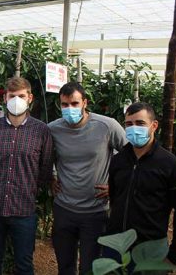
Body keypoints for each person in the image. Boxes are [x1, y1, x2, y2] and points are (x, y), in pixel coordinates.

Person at [48, 82, 126, 275]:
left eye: (74, 103)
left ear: (85, 102)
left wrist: (115, 186)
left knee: (90, 268)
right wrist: (51, 176)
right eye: (64, 104)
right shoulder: (53, 129)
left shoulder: (107, 126)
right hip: (64, 208)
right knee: (65, 265)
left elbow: (130, 156)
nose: (69, 109)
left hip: (95, 211)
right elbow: (43, 156)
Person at [106, 102, 176, 269]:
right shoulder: (118, 161)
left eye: (140, 123)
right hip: (116, 248)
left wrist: (174, 256)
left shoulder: (171, 166)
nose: (133, 128)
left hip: (150, 251)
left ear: (154, 126)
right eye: (129, 124)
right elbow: (115, 198)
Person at [0, 77, 54, 275]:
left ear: (30, 98)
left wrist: (31, 190)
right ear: (5, 98)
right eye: (12, 96)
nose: (17, 100)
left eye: (21, 96)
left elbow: (45, 168)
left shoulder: (41, 131)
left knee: (24, 262)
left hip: (24, 210)